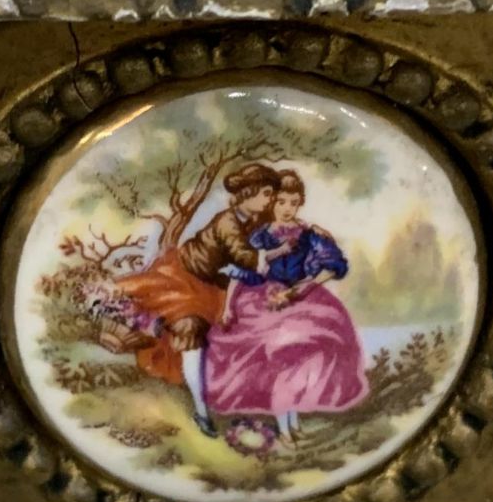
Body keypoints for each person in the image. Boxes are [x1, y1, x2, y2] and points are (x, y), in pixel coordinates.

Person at [112, 164, 279, 436]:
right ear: (249, 192)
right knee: (191, 337)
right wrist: (268, 259)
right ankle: (201, 413)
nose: (270, 200)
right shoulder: (228, 221)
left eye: (272, 195)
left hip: (211, 289)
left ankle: (161, 327)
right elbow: (242, 254)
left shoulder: (255, 223)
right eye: (266, 193)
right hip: (183, 278)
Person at [205, 169, 367, 441]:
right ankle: (284, 429)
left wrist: (304, 287)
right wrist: (228, 307)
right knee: (278, 357)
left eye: (293, 202)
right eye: (281, 202)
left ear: (300, 203)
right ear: (272, 203)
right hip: (259, 299)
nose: (287, 209)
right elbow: (241, 272)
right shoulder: (260, 237)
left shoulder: (308, 234)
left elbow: (334, 265)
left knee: (298, 357)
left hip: (301, 297)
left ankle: (291, 426)